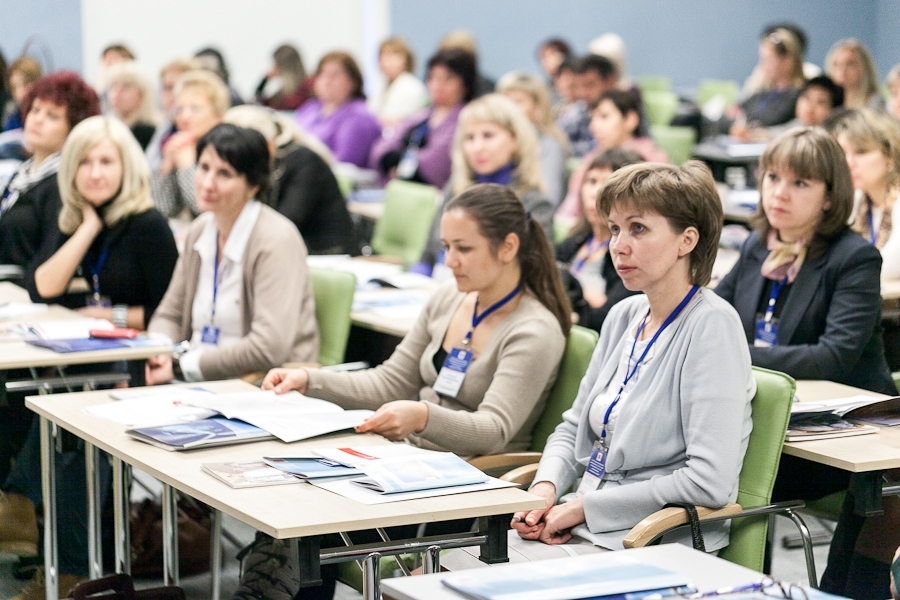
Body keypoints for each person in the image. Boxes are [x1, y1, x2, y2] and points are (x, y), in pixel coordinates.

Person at [247, 183, 570, 599]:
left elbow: (495, 430)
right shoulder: (449, 299)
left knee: (317, 518)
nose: (449, 261)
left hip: (467, 481)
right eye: (446, 247)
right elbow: (390, 381)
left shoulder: (534, 329)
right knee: (297, 491)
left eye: (463, 249)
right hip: (409, 463)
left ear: (508, 247)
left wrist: (422, 417)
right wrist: (311, 381)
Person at [444, 161, 753, 568]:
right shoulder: (625, 315)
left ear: (687, 240)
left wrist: (585, 508)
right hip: (582, 520)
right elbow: (572, 428)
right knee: (431, 576)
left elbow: (708, 482)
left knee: (454, 581)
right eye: (614, 229)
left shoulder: (712, 325)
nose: (619, 245)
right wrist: (546, 488)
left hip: (651, 540)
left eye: (638, 228)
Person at [714, 127, 897, 599]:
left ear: (830, 197)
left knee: (720, 471)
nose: (779, 192)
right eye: (773, 177)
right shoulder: (757, 246)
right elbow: (714, 319)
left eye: (800, 183)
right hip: (768, 421)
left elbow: (833, 356)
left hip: (846, 436)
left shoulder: (853, 258)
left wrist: (739, 353)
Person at [3, 114, 177, 600]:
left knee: (73, 428)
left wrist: (113, 315)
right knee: (32, 405)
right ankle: (35, 526)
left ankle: (70, 568)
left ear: (127, 168)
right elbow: (43, 286)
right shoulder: (79, 221)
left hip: (144, 364)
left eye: (106, 162)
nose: (95, 173)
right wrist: (87, 226)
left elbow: (171, 311)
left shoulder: (148, 226)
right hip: (90, 361)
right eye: (84, 163)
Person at [146, 123, 318, 385]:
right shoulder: (199, 231)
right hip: (194, 381)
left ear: (253, 185)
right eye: (204, 168)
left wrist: (184, 365)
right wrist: (160, 352)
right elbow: (169, 316)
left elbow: (268, 347)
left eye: (224, 174)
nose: (207, 183)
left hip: (259, 386)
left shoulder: (276, 240)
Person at [415, 93, 555, 274]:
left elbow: (536, 273)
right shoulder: (457, 188)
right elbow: (428, 254)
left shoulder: (533, 202)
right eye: (470, 138)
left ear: (514, 140)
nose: (477, 147)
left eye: (488, 136)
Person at [1, 71, 100, 271]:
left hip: (24, 285)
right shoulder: (23, 174)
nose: (38, 120)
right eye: (35, 110)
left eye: (52, 116)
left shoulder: (62, 183)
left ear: (73, 129)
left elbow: (48, 261)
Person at [224, 105, 355, 254]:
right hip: (284, 249)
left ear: (268, 147)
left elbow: (286, 223)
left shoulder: (305, 161)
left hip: (326, 254)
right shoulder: (262, 165)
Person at [557, 149, 643, 333]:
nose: (596, 193)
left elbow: (607, 319)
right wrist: (586, 296)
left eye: (607, 184)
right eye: (592, 181)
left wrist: (566, 286)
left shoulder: (632, 255)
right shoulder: (574, 242)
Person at [369, 48, 475, 189]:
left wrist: (399, 162)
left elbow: (436, 163)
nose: (437, 85)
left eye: (447, 78)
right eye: (432, 77)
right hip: (399, 191)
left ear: (465, 83)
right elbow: (380, 150)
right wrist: (398, 161)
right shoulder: (422, 115)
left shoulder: (468, 118)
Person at [557, 89, 668, 220]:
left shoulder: (652, 162)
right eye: (592, 118)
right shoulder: (591, 159)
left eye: (604, 117)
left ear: (630, 120)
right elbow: (569, 210)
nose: (594, 126)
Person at [829, 109, 900, 278]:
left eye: (860, 152)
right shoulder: (857, 200)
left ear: (889, 155)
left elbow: (890, 267)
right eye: (843, 153)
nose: (848, 163)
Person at [152, 69, 228, 218]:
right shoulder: (181, 145)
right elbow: (163, 209)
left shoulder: (227, 150)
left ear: (218, 115)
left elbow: (206, 211)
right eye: (179, 110)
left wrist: (187, 167)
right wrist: (166, 167)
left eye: (195, 108)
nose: (185, 116)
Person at [294, 51, 381, 168]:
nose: (326, 81)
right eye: (322, 74)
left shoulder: (359, 117)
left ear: (353, 81)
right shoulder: (310, 108)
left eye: (334, 75)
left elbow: (345, 161)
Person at [497, 71, 571, 207]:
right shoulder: (494, 144)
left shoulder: (549, 145)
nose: (509, 108)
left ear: (538, 107)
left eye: (518, 101)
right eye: (505, 101)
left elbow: (549, 200)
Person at [725, 27, 806, 137]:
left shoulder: (799, 95)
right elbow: (737, 110)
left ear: (787, 61)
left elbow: (770, 121)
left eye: (768, 59)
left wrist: (755, 132)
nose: (762, 65)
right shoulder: (764, 91)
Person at [745, 76, 844, 141]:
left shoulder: (834, 137)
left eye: (821, 102)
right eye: (807, 98)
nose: (811, 106)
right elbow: (774, 133)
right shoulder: (796, 126)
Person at [558, 54, 619, 158]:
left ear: (610, 81)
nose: (584, 93)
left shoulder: (625, 107)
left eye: (590, 85)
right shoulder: (578, 111)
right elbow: (557, 137)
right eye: (580, 86)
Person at [145, 58, 200, 173]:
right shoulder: (165, 127)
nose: (173, 95)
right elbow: (148, 169)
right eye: (167, 88)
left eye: (179, 88)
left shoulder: (200, 132)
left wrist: (186, 167)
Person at [369, 37, 428, 129]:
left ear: (405, 59)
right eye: (382, 56)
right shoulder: (383, 86)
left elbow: (399, 122)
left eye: (390, 56)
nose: (384, 61)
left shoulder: (412, 87)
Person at [105, 61, 158, 150]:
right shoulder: (105, 128)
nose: (117, 93)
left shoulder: (150, 134)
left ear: (142, 94)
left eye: (126, 86)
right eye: (113, 85)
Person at [826, 39, 885, 111]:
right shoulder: (827, 103)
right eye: (837, 65)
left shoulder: (875, 102)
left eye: (850, 64)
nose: (842, 70)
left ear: (865, 68)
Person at [254, 43, 314, 112]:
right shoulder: (285, 91)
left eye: (276, 64)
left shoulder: (307, 87)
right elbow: (260, 102)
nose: (273, 68)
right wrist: (265, 80)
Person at [2, 56, 42, 132]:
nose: (21, 93)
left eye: (26, 83)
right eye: (14, 88)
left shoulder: (47, 117)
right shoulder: (12, 123)